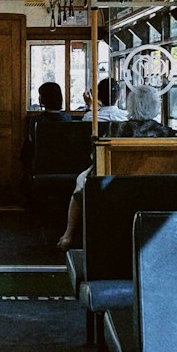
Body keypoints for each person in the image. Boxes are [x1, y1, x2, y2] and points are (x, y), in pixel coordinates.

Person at [56, 78, 134, 251]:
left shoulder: (90, 118)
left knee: (81, 184)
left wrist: (91, 108)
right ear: (120, 96)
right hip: (127, 168)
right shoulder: (126, 118)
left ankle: (69, 233)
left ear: (97, 96)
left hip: (99, 166)